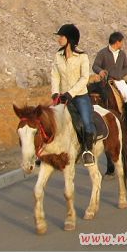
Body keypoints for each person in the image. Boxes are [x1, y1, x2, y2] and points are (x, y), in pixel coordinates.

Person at [50, 24, 96, 166]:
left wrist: (71, 93)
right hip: (63, 97)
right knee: (51, 121)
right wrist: (55, 93)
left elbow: (84, 78)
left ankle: (87, 151)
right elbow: (55, 75)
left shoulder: (82, 56)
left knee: (86, 122)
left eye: (61, 37)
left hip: (80, 96)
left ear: (69, 39)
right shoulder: (58, 55)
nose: (59, 39)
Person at [92, 31, 127, 134]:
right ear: (117, 42)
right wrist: (100, 71)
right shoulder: (102, 53)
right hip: (106, 81)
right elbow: (95, 66)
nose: (122, 44)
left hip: (119, 81)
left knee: (126, 93)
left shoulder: (122, 54)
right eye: (121, 42)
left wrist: (120, 75)